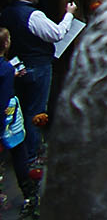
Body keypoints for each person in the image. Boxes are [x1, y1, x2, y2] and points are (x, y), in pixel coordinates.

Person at [1, 0, 74, 184]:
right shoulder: (33, 15)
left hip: (19, 67)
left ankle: (28, 148)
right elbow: (57, 33)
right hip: (38, 65)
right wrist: (68, 15)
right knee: (36, 111)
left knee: (24, 109)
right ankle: (32, 155)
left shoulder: (6, 12)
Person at [1, 28, 35, 208]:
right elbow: (4, 97)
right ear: (6, 44)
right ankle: (29, 194)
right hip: (7, 115)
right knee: (18, 151)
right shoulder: (6, 68)